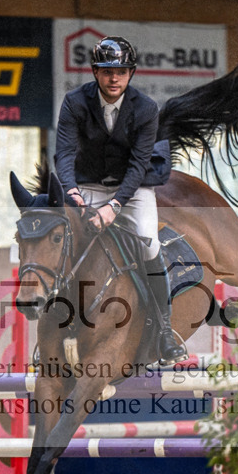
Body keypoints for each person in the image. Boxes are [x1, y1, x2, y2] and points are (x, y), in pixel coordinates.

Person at [54, 35, 187, 366]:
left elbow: (139, 164)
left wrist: (114, 207)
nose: (115, 79)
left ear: (131, 73)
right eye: (107, 71)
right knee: (65, 239)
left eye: (122, 72)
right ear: (95, 72)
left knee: (148, 244)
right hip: (86, 184)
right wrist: (71, 191)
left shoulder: (145, 108)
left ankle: (166, 331)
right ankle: (55, 325)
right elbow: (65, 153)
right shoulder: (74, 102)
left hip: (133, 189)